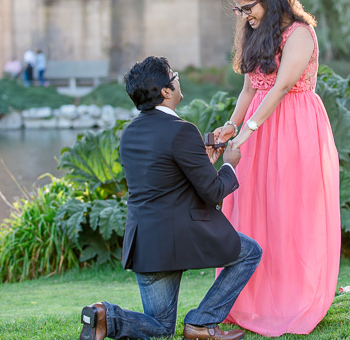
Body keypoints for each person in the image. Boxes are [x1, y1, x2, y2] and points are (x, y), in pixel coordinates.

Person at [79, 56, 261, 340]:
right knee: (250, 252)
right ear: (166, 90)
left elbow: (165, 181)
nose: (177, 79)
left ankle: (105, 316)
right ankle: (201, 322)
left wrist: (203, 162)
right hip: (182, 236)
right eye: (173, 75)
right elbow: (212, 191)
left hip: (146, 243)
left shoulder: (129, 134)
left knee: (162, 328)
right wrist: (229, 164)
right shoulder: (182, 130)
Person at [210, 0, 341, 336]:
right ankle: (245, 298)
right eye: (238, 11)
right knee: (252, 208)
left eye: (246, 8)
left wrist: (248, 132)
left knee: (288, 211)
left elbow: (281, 87)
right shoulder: (256, 34)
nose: (243, 16)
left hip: (293, 129)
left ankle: (291, 299)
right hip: (257, 128)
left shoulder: (300, 33)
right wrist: (232, 126)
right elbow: (251, 90)